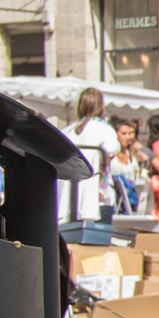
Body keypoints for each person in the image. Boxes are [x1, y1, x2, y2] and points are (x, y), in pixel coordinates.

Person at [59, 87, 117, 224]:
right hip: (96, 201)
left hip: (67, 201)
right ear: (102, 106)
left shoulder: (67, 131)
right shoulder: (105, 130)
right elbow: (110, 155)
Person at [107, 117, 145, 214]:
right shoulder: (111, 155)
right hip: (114, 203)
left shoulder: (132, 155)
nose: (128, 137)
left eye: (130, 133)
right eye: (124, 134)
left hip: (131, 204)